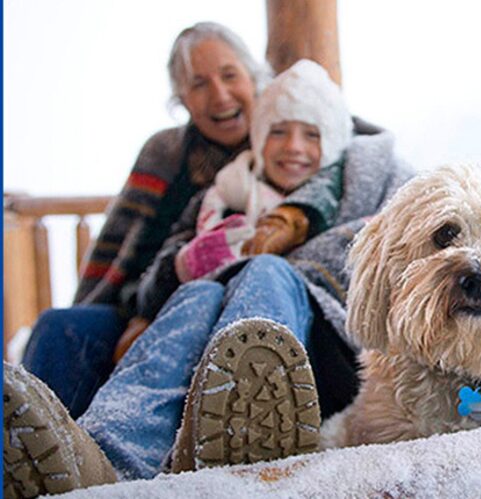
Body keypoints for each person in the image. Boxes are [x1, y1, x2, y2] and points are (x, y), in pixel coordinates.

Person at [4, 59, 415, 496]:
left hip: (317, 347)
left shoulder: (359, 189)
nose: (293, 146)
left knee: (264, 269)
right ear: (259, 138)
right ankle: (106, 455)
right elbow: (152, 282)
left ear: (333, 142)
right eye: (278, 131)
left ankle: (245, 421)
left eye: (312, 134)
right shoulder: (220, 197)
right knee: (197, 293)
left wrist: (260, 254)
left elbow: (369, 256)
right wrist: (187, 263)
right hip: (205, 330)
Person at [20, 22, 271, 419]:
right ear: (183, 99)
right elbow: (120, 246)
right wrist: (139, 314)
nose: (219, 95)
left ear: (253, 79)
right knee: (60, 328)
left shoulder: (284, 141)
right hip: (140, 300)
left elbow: (348, 133)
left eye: (229, 75)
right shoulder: (165, 150)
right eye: (199, 84)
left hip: (216, 310)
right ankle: (33, 459)